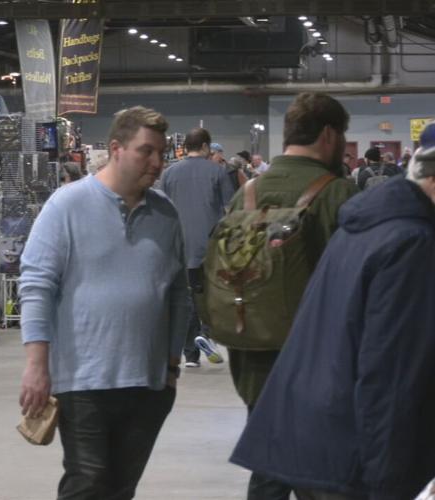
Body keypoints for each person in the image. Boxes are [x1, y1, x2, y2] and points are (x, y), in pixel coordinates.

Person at [230, 129, 435, 500]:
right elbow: (389, 375)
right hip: (350, 453)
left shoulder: (368, 225)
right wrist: (388, 484)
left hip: (314, 433)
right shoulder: (412, 242)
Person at [19, 105, 189, 499]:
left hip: (148, 383)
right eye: (146, 151)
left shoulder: (166, 213)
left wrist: (171, 365)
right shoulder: (67, 205)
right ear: (116, 148)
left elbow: (178, 291)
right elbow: (37, 285)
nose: (157, 162)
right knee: (88, 483)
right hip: (83, 380)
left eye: (161, 153)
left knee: (121, 489)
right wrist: (36, 366)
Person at [225, 92, 358, 500]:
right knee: (324, 480)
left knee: (267, 472)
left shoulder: (244, 195)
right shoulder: (340, 195)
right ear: (330, 135)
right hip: (321, 367)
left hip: (253, 359)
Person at [161, 128, 233, 368]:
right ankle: (205, 333)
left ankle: (190, 354)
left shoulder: (169, 174)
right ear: (204, 147)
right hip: (210, 248)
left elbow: (163, 212)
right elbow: (229, 210)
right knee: (211, 297)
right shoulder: (217, 172)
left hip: (179, 248)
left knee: (186, 298)